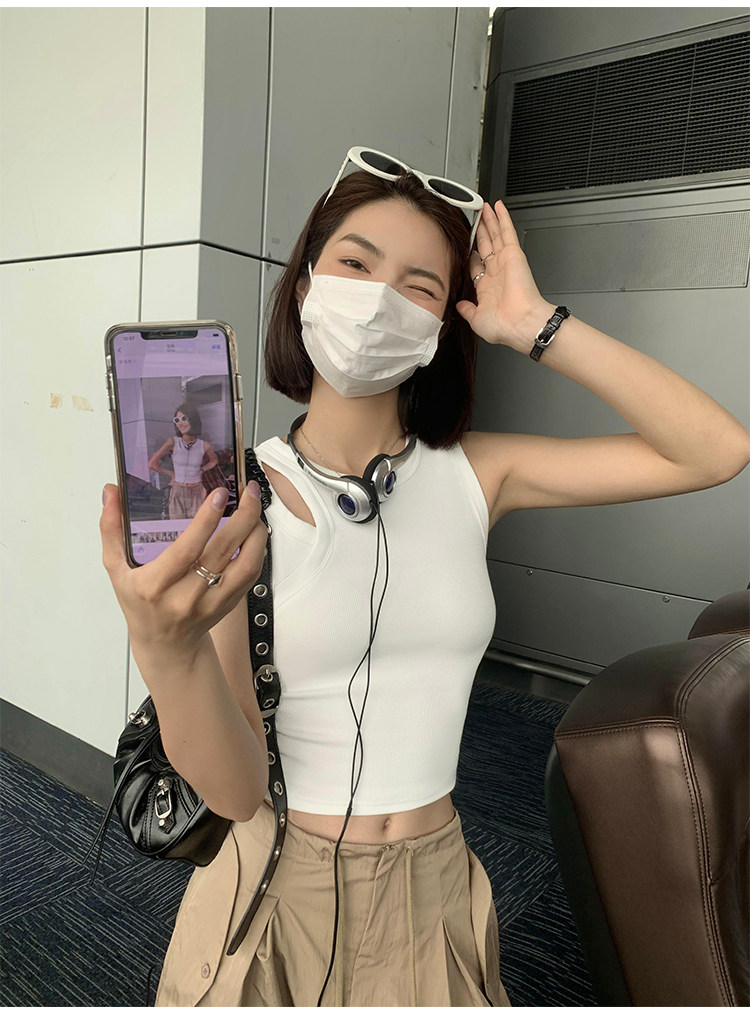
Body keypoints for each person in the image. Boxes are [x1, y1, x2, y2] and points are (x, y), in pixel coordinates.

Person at [100, 150, 750, 1008]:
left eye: (419, 285)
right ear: (305, 285)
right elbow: (233, 789)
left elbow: (714, 450)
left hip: (432, 886)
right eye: (355, 263)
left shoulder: (477, 473)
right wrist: (164, 648)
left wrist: (536, 325)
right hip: (268, 888)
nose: (379, 300)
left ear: (444, 324)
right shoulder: (234, 499)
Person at [147, 404, 218, 520]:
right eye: (177, 420)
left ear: (193, 419)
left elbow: (214, 461)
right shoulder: (173, 442)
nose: (180, 423)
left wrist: (202, 470)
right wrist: (172, 474)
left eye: (184, 418)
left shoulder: (204, 445)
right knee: (178, 526)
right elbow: (152, 464)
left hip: (196, 490)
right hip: (178, 490)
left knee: (198, 525)